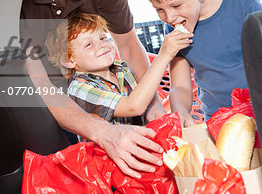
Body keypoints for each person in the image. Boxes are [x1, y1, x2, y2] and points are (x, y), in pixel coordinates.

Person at [20, 0, 166, 178]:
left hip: (101, 103)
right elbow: (42, 84)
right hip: (45, 105)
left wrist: (153, 105)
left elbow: (129, 45)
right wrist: (104, 133)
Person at [143, 0, 262, 126]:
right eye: (159, 9)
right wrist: (182, 113)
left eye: (176, 5)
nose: (169, 18)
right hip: (217, 124)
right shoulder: (172, 31)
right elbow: (181, 86)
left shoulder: (247, 9)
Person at [45, 13, 192, 130]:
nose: (102, 45)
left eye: (103, 37)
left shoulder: (122, 69)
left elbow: (145, 106)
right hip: (106, 163)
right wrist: (164, 56)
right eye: (89, 44)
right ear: (69, 61)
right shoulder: (79, 89)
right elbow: (133, 106)